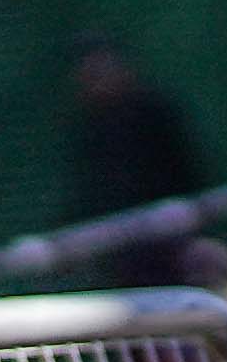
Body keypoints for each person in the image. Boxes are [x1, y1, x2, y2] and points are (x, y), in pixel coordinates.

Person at [58, 37, 211, 287]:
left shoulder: (156, 111)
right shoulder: (91, 127)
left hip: (169, 231)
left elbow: (186, 167)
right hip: (123, 243)